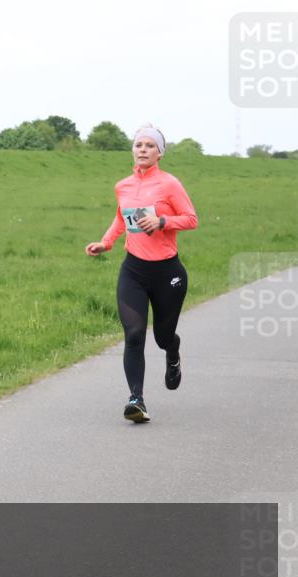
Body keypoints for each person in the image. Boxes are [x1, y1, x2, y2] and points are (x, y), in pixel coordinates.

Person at [85, 124, 198, 423]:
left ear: (159, 152)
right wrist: (105, 242)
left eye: (150, 145)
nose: (143, 150)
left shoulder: (170, 184)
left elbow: (191, 219)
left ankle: (172, 352)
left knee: (161, 337)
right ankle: (137, 400)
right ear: (133, 151)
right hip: (133, 269)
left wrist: (162, 221)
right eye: (138, 145)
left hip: (167, 272)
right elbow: (120, 218)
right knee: (134, 334)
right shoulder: (122, 186)